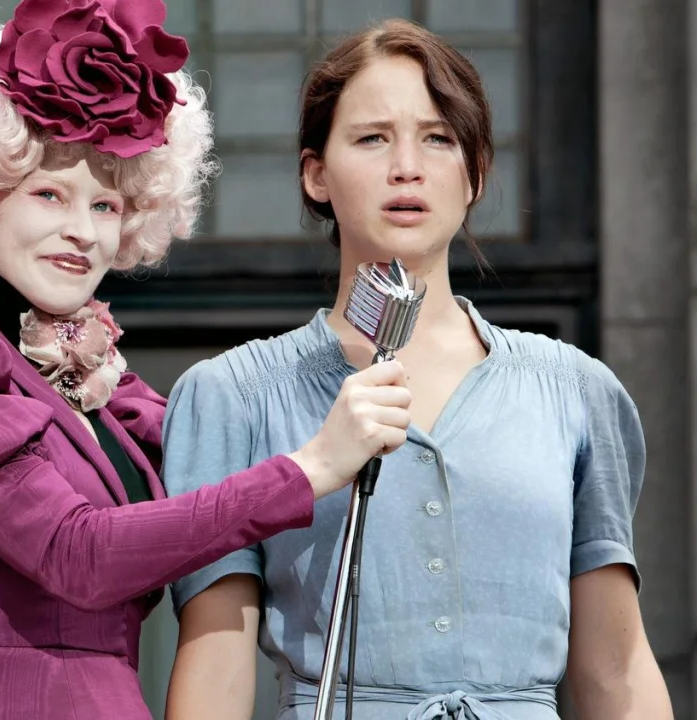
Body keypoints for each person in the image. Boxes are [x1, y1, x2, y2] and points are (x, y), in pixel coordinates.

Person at [0, 1, 414, 718]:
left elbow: (210, 517)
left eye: (106, 206)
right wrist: (311, 467)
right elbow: (79, 555)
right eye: (49, 194)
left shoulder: (104, 390)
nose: (82, 232)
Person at [161, 18, 673, 720]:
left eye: (438, 138)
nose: (407, 166)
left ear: (477, 173)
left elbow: (615, 671)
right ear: (316, 174)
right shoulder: (234, 397)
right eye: (372, 138)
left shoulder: (576, 392)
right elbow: (215, 669)